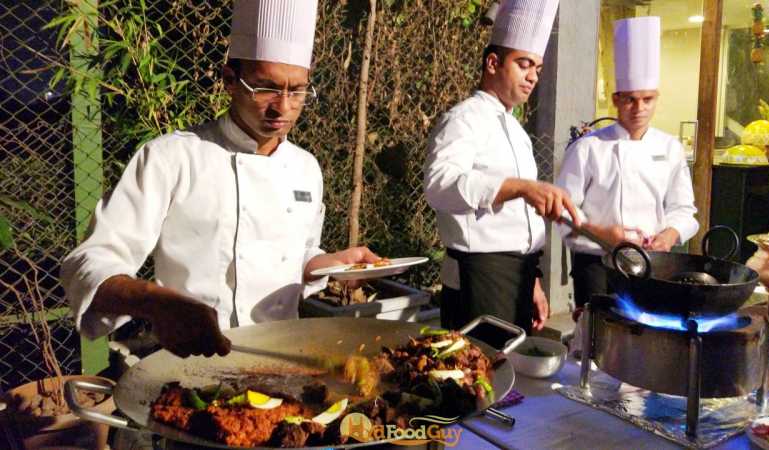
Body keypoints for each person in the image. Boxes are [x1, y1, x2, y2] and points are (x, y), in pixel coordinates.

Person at [61, 0, 380, 359]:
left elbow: (291, 255)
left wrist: (335, 264)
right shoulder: (171, 158)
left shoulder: (306, 167)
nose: (283, 107)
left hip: (283, 357)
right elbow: (89, 262)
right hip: (189, 361)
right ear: (229, 79)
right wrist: (156, 303)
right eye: (266, 88)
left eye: (297, 90)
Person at [424, 0, 579, 347]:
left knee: (511, 382)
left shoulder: (515, 130)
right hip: (479, 278)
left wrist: (534, 282)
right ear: (493, 63)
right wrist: (520, 187)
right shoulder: (463, 119)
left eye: (537, 68)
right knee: (480, 382)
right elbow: (439, 186)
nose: (533, 77)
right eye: (524, 64)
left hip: (519, 275)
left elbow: (516, 224)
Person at [555, 16, 699, 309]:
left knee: (644, 335)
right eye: (631, 100)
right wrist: (605, 235)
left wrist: (669, 235)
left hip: (651, 262)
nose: (639, 108)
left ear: (657, 98)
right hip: (595, 263)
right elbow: (563, 213)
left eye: (647, 99)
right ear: (616, 99)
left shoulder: (670, 148)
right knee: (598, 337)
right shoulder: (588, 148)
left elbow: (684, 210)